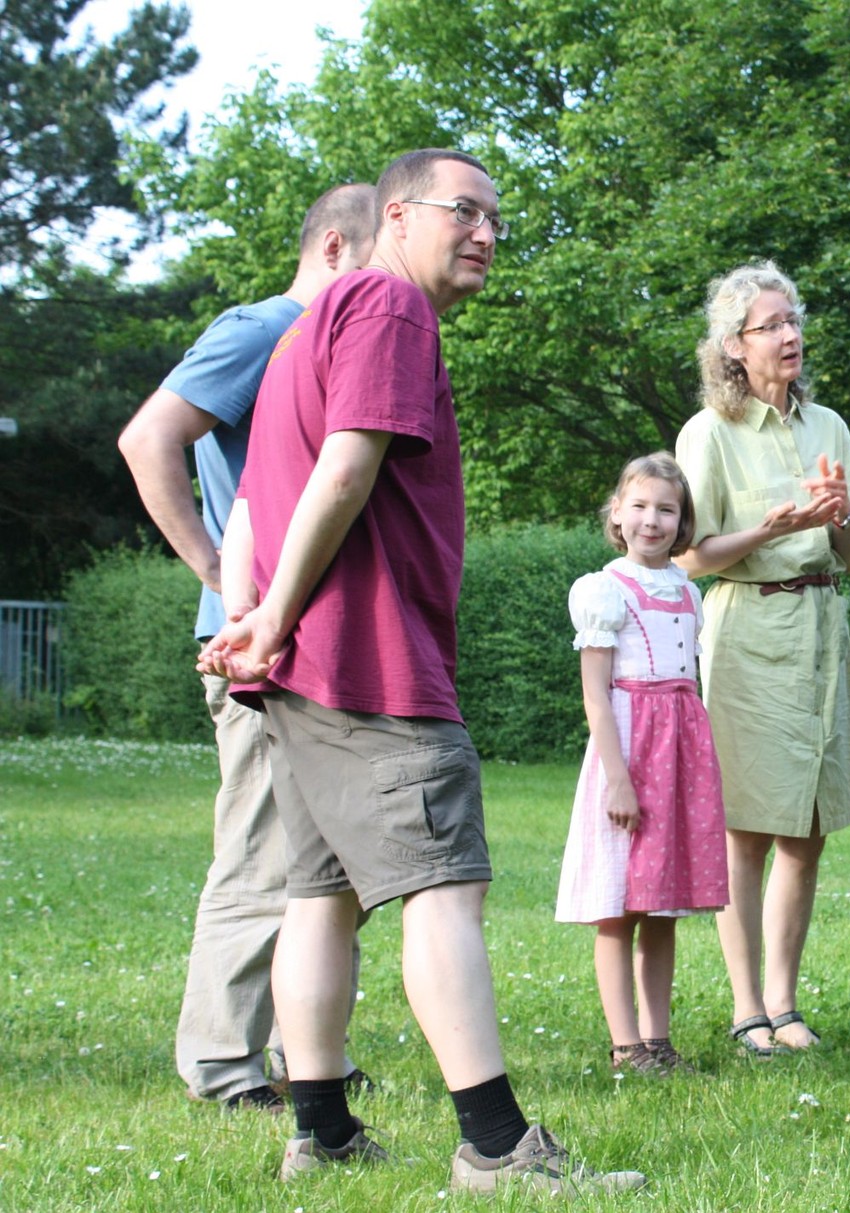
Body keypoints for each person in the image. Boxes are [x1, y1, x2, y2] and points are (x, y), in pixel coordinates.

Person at [199, 148, 644, 1193]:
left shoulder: (307, 332)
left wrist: (252, 614)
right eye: (466, 211)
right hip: (367, 654)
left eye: (498, 219)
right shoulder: (392, 312)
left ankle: (322, 1131)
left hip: (299, 662)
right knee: (445, 884)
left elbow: (257, 503)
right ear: (398, 215)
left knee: (321, 894)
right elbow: (347, 467)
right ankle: (496, 1144)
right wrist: (275, 619)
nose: (486, 232)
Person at [116, 183, 377, 1111]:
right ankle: (225, 1063)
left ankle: (313, 1055)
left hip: (315, 639)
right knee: (264, 852)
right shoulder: (263, 326)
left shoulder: (336, 339)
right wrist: (221, 567)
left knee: (324, 860)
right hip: (254, 645)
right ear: (340, 245)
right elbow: (149, 438)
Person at [675, 261, 850, 1057]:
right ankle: (745, 1004)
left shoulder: (828, 426)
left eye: (792, 320)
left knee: (809, 828)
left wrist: (843, 514)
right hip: (749, 635)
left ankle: (786, 1002)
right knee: (747, 829)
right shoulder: (707, 434)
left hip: (823, 630)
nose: (788, 335)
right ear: (732, 345)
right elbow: (689, 557)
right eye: (769, 325)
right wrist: (772, 525)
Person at [556, 453, 728, 1076]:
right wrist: (619, 779)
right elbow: (595, 693)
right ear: (617, 514)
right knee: (620, 901)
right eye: (640, 506)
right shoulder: (604, 590)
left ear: (681, 521)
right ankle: (625, 1042)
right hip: (630, 746)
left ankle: (658, 1041)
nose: (652, 520)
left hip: (679, 745)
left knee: (663, 902)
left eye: (667, 509)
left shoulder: (687, 588)